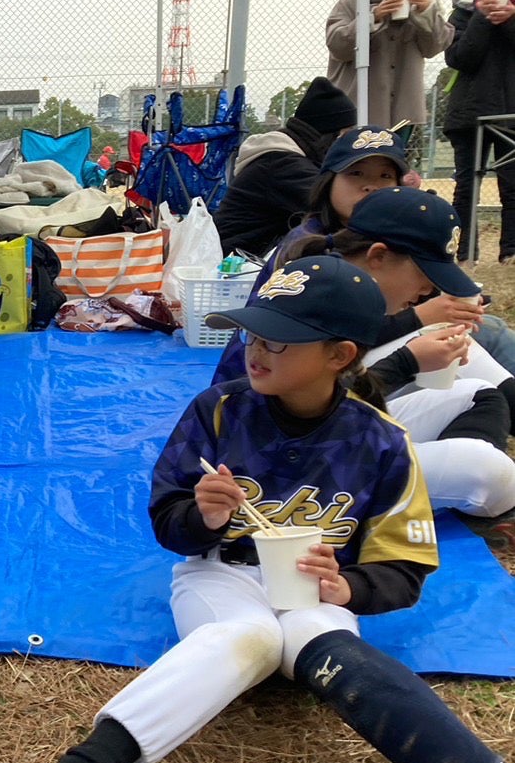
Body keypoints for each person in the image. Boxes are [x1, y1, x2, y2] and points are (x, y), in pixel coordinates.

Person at [14, 257, 515, 763]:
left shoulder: (382, 441)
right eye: (254, 333)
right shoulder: (219, 410)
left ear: (339, 355)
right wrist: (203, 516)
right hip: (217, 576)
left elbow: (405, 567)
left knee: (329, 646)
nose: (256, 350)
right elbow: (168, 521)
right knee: (246, 635)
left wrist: (349, 587)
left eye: (279, 340)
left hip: (312, 593)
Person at [212, 128, 515, 391]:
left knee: (480, 336)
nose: (370, 186)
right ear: (327, 180)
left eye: (385, 175)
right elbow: (323, 342)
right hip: (272, 393)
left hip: (313, 385)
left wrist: (453, 306)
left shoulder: (384, 233)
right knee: (473, 351)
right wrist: (421, 319)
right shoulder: (308, 245)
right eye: (356, 173)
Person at [294, 188, 515, 521]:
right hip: (299, 467)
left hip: (336, 438)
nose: (429, 289)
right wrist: (408, 360)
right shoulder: (316, 294)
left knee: (477, 394)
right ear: (378, 256)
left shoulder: (340, 284)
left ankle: (450, 499)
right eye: (425, 275)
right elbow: (312, 415)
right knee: (487, 470)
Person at [326, 0, 453, 137]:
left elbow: (433, 48)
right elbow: (336, 44)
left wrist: (426, 13)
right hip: (357, 106)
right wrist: (373, 16)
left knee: (394, 157)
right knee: (356, 157)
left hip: (403, 108)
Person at [213, 77, 357, 258]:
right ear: (330, 135)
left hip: (247, 256)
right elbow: (336, 207)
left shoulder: (289, 158)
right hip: (236, 262)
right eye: (345, 136)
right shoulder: (282, 165)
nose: (348, 144)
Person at [445, 0, 515, 263]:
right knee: (466, 185)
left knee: (512, 182)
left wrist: (510, 19)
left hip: (510, 109)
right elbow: (459, 57)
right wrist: (481, 18)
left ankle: (510, 251)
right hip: (470, 111)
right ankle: (464, 252)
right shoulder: (463, 9)